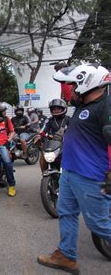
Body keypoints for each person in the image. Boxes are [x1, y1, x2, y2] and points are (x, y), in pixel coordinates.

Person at [37, 63, 110, 274]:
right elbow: (67, 92)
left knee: (98, 224)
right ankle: (66, 255)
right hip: (69, 171)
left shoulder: (105, 107)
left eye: (78, 85)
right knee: (66, 212)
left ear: (89, 84)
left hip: (91, 176)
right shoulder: (82, 105)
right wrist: (64, 72)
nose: (74, 90)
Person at [38, 99, 69, 173]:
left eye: (58, 108)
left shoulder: (69, 119)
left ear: (63, 109)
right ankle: (44, 174)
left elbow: (75, 131)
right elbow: (43, 130)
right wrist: (40, 136)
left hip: (66, 144)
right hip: (53, 145)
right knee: (43, 158)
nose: (56, 110)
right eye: (54, 109)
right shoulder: (49, 120)